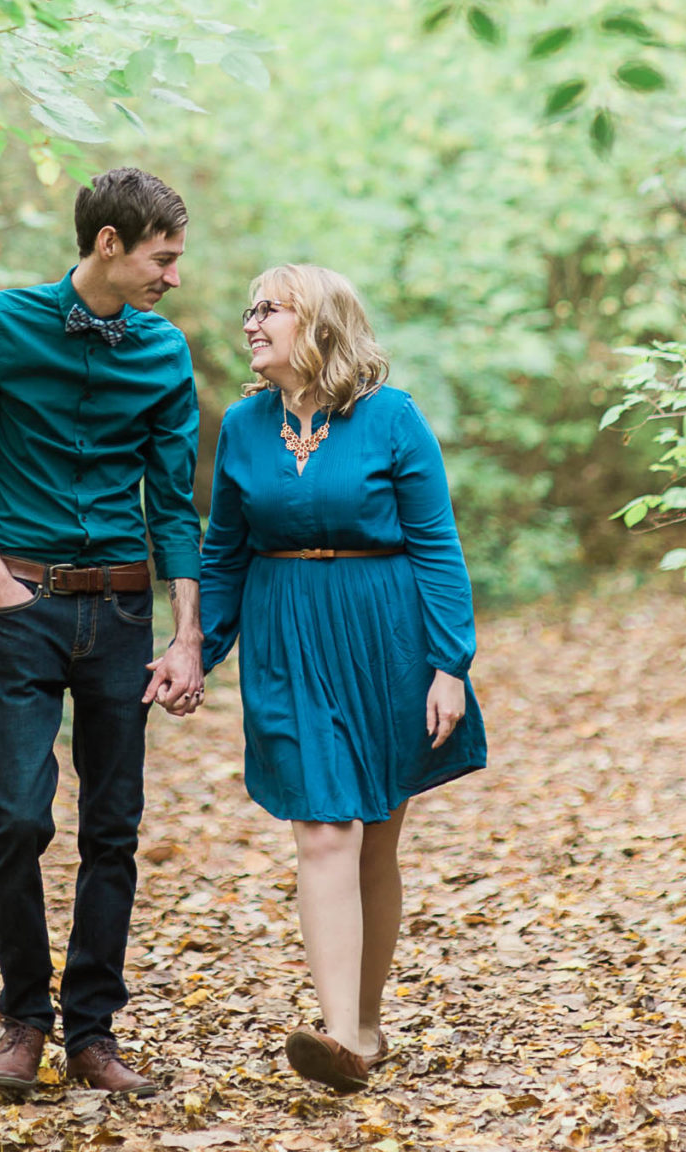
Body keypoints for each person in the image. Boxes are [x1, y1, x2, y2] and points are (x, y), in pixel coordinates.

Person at [0, 167, 206, 1099]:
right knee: (19, 818)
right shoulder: (0, 326)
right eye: (162, 259)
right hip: (24, 607)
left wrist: (187, 638)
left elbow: (174, 505)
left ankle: (93, 1036)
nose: (173, 276)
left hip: (124, 614)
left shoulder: (166, 355)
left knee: (113, 827)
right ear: (109, 245)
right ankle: (23, 1022)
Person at [198, 262, 485, 1092]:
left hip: (385, 636)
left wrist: (448, 665)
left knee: (375, 843)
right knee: (325, 830)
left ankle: (362, 1025)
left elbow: (436, 544)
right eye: (248, 308)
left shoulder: (392, 419)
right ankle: (341, 1041)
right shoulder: (246, 428)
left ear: (320, 324)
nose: (251, 323)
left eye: (270, 309)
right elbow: (223, 554)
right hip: (286, 634)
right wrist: (196, 651)